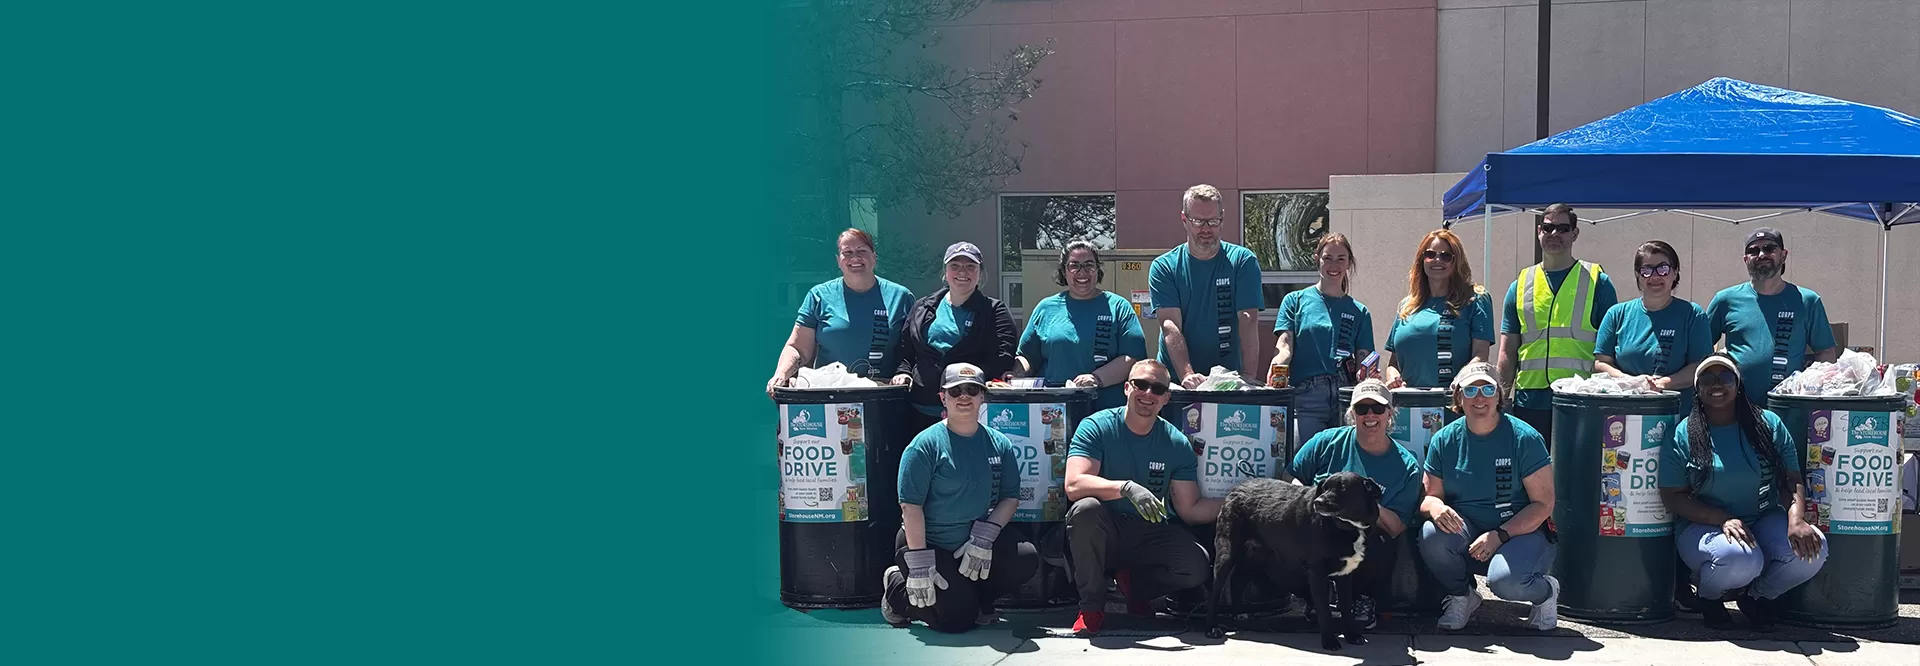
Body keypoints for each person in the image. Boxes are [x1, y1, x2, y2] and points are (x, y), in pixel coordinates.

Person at [1658, 353, 1826, 631]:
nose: (1717, 384)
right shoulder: (1684, 433)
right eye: (1707, 379)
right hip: (1703, 526)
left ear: (1738, 385)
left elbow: (1790, 479)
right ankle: (1710, 597)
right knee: (1742, 559)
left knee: (1813, 549)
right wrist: (1722, 519)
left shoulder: (1768, 424)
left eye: (1725, 377)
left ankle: (1757, 597)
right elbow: (1672, 496)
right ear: (1697, 390)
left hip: (1762, 518)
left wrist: (1796, 519)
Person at [1062, 360, 1218, 636]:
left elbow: (1190, 510)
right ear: (1126, 388)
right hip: (1105, 527)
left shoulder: (1176, 442)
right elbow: (1074, 484)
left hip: (1149, 530)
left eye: (1157, 389)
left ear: (1166, 397)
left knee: (1195, 566)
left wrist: (1240, 499)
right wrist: (1125, 488)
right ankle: (1091, 607)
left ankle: (1135, 589)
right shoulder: (1096, 426)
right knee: (1085, 509)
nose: (1148, 393)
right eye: (1141, 385)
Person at [883, 363, 1041, 632]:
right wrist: (919, 563)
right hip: (929, 543)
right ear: (943, 398)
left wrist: (984, 537)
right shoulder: (924, 445)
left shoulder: (999, 444)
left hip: (972, 542)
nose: (964, 396)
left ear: (983, 397)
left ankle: (978, 602)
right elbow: (910, 507)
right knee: (956, 621)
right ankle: (896, 588)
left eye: (972, 390)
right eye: (955, 391)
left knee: (1025, 558)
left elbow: (1010, 497)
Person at [1418, 361, 1560, 631]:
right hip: (1470, 532)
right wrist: (1435, 507)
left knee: (1505, 582)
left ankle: (1546, 592)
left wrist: (1500, 534)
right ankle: (1463, 596)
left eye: (1487, 389)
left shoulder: (1524, 438)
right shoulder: (1444, 439)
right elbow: (1429, 497)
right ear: (1459, 397)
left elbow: (1543, 504)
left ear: (1499, 396)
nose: (1479, 398)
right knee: (1431, 535)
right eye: (1470, 391)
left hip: (1522, 532)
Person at [1287, 378, 1423, 630]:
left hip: (1362, 539)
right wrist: (1312, 501)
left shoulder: (1407, 466)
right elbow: (1291, 477)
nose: (1370, 415)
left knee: (1381, 544)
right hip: (1315, 532)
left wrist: (1359, 503)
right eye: (1362, 409)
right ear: (1351, 414)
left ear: (1390, 414)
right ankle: (1316, 598)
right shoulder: (1325, 441)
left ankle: (1361, 598)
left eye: (1378, 408)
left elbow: (1396, 527)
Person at [1498, 203, 1618, 444]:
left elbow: (1612, 350)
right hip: (1529, 401)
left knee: (1576, 468)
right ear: (1539, 232)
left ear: (1575, 233)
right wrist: (1499, 399)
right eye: (1548, 228)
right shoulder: (1520, 284)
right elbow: (1507, 351)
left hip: (1581, 399)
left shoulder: (1598, 282)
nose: (1554, 234)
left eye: (1563, 229)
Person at [768, 228, 915, 396]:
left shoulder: (901, 297)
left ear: (874, 257)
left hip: (883, 395)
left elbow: (913, 348)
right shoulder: (819, 296)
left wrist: (904, 373)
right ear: (838, 261)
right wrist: (781, 374)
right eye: (847, 252)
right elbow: (798, 348)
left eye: (862, 251)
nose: (855, 258)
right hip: (830, 395)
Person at [1707, 227, 1839, 408]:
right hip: (1736, 408)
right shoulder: (1725, 300)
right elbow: (1701, 348)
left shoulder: (1807, 300)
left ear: (1783, 255)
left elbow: (1826, 353)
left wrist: (1811, 388)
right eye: (1753, 251)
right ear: (1746, 260)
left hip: (1789, 408)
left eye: (1769, 248)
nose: (1761, 255)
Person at [894, 242, 1017, 433]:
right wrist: (903, 372)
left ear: (980, 273)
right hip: (920, 410)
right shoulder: (922, 307)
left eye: (970, 266)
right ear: (945, 271)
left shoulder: (994, 311)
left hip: (970, 413)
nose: (962, 272)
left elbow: (1003, 357)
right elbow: (905, 350)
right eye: (955, 265)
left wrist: (963, 383)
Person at [1149, 185, 1264, 389]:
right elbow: (1170, 325)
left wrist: (1247, 376)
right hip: (1176, 379)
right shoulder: (1164, 266)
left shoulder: (1242, 261)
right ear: (1184, 220)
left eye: (1213, 221)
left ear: (1222, 218)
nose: (1206, 229)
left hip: (1228, 378)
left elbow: (1248, 319)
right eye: (1198, 221)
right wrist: (1187, 375)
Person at [1014, 241, 1149, 410]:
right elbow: (1027, 356)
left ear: (1098, 269)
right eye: (1074, 266)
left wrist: (1096, 378)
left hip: (1104, 410)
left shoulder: (1118, 307)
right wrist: (1015, 375)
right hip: (1053, 410)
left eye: (1089, 265)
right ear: (1064, 271)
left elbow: (1133, 357)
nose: (1082, 272)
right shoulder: (1046, 308)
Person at [1274, 233, 1376, 445]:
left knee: (1343, 461)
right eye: (1327, 258)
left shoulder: (1360, 312)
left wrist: (1366, 374)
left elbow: (1364, 359)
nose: (1334, 265)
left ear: (1349, 263)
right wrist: (1278, 364)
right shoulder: (1294, 301)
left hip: (1345, 397)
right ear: (1317, 258)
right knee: (1303, 459)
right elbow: (1285, 344)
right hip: (1306, 397)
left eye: (1341, 259)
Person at [1594, 240, 1713, 408]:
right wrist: (1631, 382)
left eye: (1663, 269)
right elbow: (1601, 363)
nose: (1655, 276)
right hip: (1621, 412)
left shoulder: (1693, 315)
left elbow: (1699, 366)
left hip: (1676, 413)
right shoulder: (1616, 314)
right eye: (1647, 270)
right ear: (1638, 275)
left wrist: (1662, 384)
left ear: (1675, 272)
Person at [1382, 229, 1494, 389]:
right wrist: (1393, 378)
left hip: (1453, 400)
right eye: (1430, 255)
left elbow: (1480, 355)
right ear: (1421, 260)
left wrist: (1462, 380)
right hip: (1407, 400)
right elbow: (1393, 364)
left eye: (1446, 256)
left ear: (1456, 261)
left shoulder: (1475, 299)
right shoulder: (1407, 306)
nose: (1437, 260)